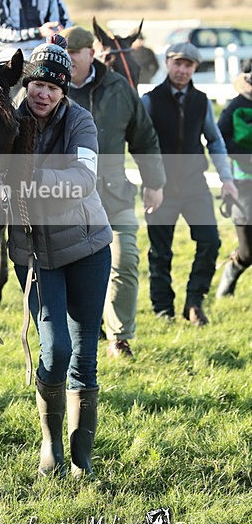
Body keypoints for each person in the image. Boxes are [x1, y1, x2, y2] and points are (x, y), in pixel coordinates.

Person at [8, 42, 112, 479]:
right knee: (54, 348)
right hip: (33, 255)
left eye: (51, 86)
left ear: (63, 91)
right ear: (27, 83)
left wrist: (29, 178)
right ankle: (50, 446)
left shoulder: (80, 120)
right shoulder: (7, 120)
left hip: (88, 248)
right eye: (36, 83)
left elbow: (84, 178)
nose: (42, 94)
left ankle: (81, 459)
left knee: (84, 351)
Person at [64, 26, 166, 359]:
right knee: (72, 271)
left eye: (73, 54)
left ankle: (119, 336)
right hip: (64, 201)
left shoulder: (118, 88)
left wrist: (154, 182)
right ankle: (81, 333)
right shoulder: (52, 91)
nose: (67, 60)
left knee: (125, 261)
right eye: (62, 54)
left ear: (90, 53)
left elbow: (144, 136)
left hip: (114, 196)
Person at [142, 43, 238, 325]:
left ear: (195, 68)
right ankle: (163, 310)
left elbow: (215, 141)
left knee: (210, 242)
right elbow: (142, 145)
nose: (182, 70)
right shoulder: (150, 100)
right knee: (161, 251)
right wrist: (151, 182)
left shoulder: (202, 101)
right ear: (168, 63)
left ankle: (194, 302)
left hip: (195, 185)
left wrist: (227, 180)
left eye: (189, 65)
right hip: (161, 187)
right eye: (177, 63)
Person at [216, 71, 252, 297]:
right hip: (243, 182)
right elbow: (219, 139)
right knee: (249, 251)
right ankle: (233, 267)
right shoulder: (236, 107)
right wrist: (245, 156)